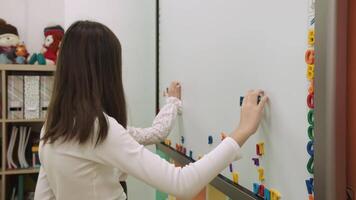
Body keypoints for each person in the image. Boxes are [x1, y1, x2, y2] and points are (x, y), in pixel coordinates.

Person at [34, 20, 268, 200]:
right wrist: (243, 131)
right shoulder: (97, 129)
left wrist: (172, 104)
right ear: (103, 71)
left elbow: (152, 134)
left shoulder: (54, 127)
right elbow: (182, 183)